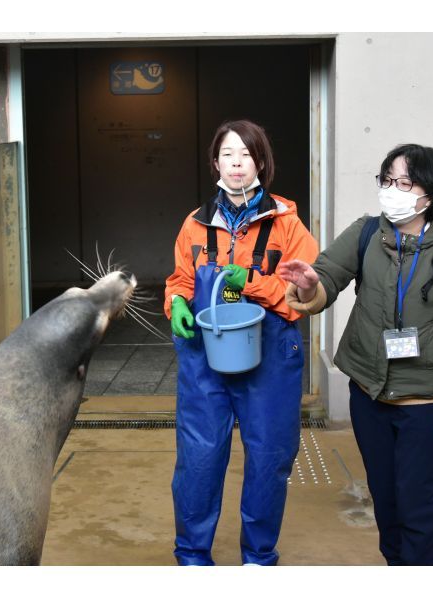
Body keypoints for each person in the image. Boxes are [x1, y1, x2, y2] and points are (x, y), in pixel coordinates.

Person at [278, 143, 433, 566]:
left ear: (431, 192)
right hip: (370, 397)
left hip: (428, 406)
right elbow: (325, 280)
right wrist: (306, 283)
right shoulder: (367, 233)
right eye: (388, 180)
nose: (392, 189)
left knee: (419, 511)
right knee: (388, 507)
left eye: (404, 182)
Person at [164, 119, 318, 566]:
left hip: (269, 359)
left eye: (246, 154)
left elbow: (301, 297)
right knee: (198, 458)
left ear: (262, 163)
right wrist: (175, 302)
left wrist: (249, 281)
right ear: (215, 162)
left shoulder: (287, 226)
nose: (236, 163)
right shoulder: (194, 225)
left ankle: (259, 558)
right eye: (228, 154)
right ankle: (192, 557)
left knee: (269, 459)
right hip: (204, 359)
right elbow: (179, 279)